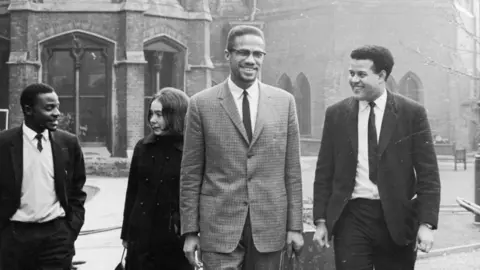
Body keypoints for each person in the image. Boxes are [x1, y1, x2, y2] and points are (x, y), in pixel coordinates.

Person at [180, 24, 304, 270]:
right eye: (243, 53)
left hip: (269, 227)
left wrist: (295, 226)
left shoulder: (284, 103)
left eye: (258, 54)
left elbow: (293, 171)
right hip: (219, 229)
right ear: (228, 55)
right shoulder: (200, 104)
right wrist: (190, 231)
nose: (251, 60)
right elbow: (191, 174)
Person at [312, 45, 441, 269]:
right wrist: (321, 221)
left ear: (382, 76)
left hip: (397, 220)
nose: (353, 80)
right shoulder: (336, 114)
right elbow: (324, 171)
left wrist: (426, 224)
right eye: (351, 73)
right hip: (351, 217)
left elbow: (428, 174)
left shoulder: (412, 113)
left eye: (362, 74)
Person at [0, 82, 87, 270]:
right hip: (14, 238)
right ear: (28, 110)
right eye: (49, 108)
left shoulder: (68, 143)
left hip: (56, 238)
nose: (57, 113)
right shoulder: (4, 144)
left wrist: (70, 231)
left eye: (57, 107)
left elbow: (77, 190)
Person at [121, 87, 192, 270]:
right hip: (141, 237)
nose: (153, 120)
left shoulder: (191, 151)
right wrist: (126, 235)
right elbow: (133, 193)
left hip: (174, 239)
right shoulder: (142, 147)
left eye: (159, 114)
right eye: (151, 114)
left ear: (176, 116)